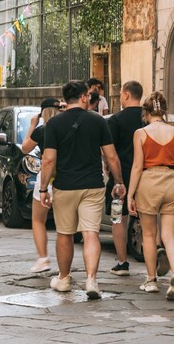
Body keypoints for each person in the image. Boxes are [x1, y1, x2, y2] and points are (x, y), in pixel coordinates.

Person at [38, 81, 126, 299]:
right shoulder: (97, 121)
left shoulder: (54, 124)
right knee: (91, 234)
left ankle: (64, 279)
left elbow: (48, 160)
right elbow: (111, 155)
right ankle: (91, 280)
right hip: (92, 186)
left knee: (65, 234)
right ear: (84, 97)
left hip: (65, 186)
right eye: (88, 95)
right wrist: (119, 182)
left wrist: (43, 189)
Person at [127, 92, 174, 300]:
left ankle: (151, 280)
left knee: (149, 235)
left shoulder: (141, 133)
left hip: (149, 181)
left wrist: (130, 194)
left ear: (146, 112)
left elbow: (137, 166)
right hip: (171, 180)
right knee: (169, 236)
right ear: (164, 111)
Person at [106, 81, 154, 277]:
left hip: (121, 180)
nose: (119, 98)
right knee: (149, 221)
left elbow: (110, 153)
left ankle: (122, 262)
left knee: (118, 219)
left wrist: (113, 174)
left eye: (120, 94)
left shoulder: (115, 120)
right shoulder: (149, 119)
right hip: (147, 178)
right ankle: (153, 260)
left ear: (126, 95)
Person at [21, 98, 65, 273]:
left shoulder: (42, 130)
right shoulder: (66, 127)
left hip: (46, 178)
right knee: (65, 225)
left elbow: (25, 148)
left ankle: (43, 258)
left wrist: (33, 124)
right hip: (67, 176)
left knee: (38, 220)